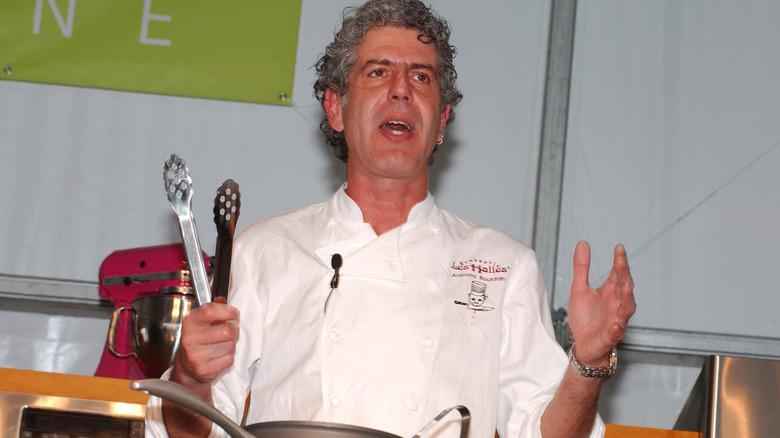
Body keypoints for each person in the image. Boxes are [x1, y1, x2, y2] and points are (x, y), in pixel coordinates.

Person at [144, 0, 636, 437]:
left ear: (442, 121)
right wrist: (189, 376)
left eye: (421, 77)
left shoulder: (503, 264)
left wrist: (585, 365)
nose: (402, 90)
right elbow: (190, 434)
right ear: (335, 108)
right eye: (378, 72)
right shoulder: (266, 250)